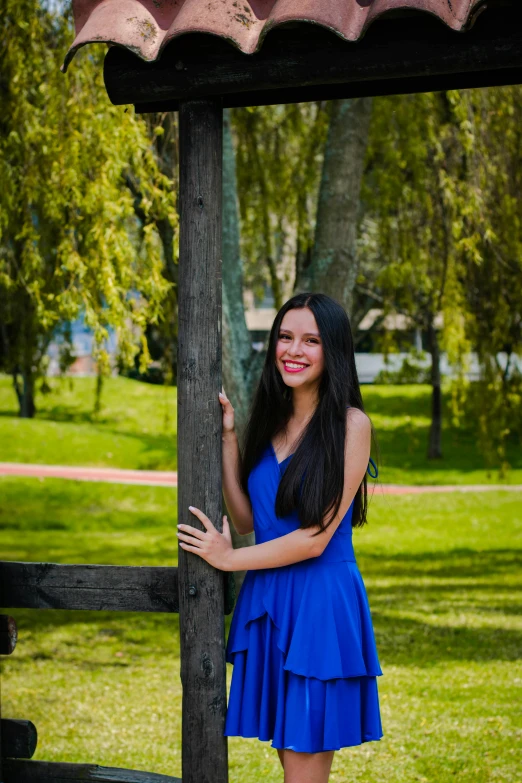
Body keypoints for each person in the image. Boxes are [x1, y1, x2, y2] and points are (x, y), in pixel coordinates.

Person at [177, 292, 383, 783]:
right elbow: (249, 519)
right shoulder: (272, 421)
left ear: (333, 351)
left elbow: (314, 539)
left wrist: (229, 561)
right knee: (290, 761)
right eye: (286, 337)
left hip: (317, 606)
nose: (294, 349)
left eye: (311, 340)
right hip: (270, 602)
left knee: (303, 769)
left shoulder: (352, 425)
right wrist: (229, 440)